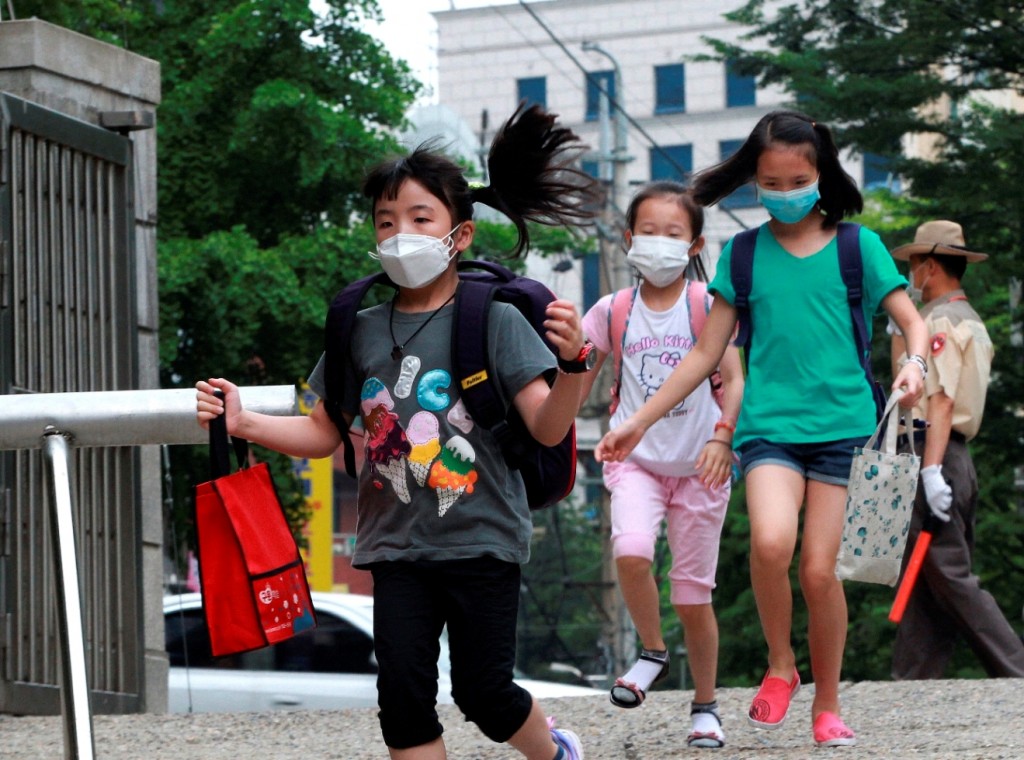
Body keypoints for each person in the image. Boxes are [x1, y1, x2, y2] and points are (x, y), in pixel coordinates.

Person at [196, 103, 599, 760]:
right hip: (394, 549)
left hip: (482, 540)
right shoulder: (357, 326)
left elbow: (547, 426)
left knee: (485, 693)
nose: (400, 235)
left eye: (419, 219)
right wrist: (242, 419)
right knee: (404, 701)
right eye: (387, 222)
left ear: (458, 236)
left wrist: (575, 366)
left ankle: (556, 754)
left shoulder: (491, 319)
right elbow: (325, 431)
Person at [593, 110, 929, 748]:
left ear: (822, 175)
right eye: (769, 182)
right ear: (753, 180)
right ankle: (782, 664)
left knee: (818, 572)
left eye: (796, 180)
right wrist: (636, 422)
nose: (783, 193)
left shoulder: (859, 245)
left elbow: (910, 321)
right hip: (768, 428)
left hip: (846, 426)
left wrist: (913, 363)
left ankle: (826, 704)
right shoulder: (741, 254)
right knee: (771, 547)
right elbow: (702, 355)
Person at [577, 182, 743, 749]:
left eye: (673, 234)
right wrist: (553, 432)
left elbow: (736, 380)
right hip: (636, 461)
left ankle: (705, 707)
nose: (659, 243)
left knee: (692, 597)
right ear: (628, 240)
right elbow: (576, 378)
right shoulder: (612, 310)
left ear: (694, 244)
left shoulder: (707, 306)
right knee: (630, 551)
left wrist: (724, 437)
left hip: (702, 466)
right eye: (648, 232)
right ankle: (651, 650)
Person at [889, 220, 1024, 679]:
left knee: (946, 569)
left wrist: (929, 472)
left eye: (912, 267)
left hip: (935, 451)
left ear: (929, 266)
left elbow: (940, 400)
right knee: (922, 574)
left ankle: (1016, 668)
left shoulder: (941, 321)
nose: (908, 277)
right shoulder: (966, 318)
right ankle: (913, 680)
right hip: (947, 454)